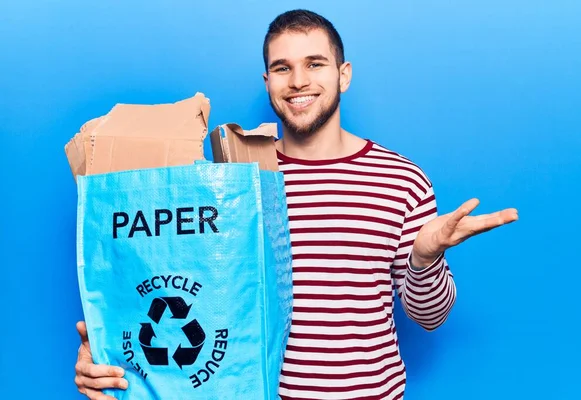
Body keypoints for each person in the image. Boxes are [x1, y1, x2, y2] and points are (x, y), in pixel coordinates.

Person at [74, 9, 518, 400]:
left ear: (343, 74)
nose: (299, 80)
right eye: (282, 68)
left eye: (315, 64)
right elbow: (188, 292)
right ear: (268, 82)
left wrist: (423, 260)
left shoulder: (402, 180)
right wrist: (112, 347)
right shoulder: (232, 183)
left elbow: (431, 318)